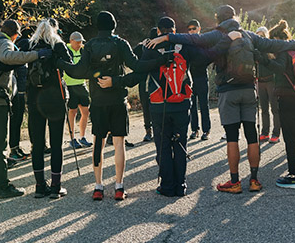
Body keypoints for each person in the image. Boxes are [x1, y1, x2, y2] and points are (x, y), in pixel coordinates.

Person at [148, 4, 295, 194]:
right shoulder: (248, 35)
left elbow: (194, 39)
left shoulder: (217, 34)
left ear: (218, 18)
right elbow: (272, 44)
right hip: (248, 89)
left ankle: (235, 182)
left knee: (232, 137)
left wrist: (167, 36)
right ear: (235, 17)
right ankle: (254, 180)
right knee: (252, 137)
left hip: (228, 91)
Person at [101, 16, 218, 197]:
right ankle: (181, 186)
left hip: (159, 105)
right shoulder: (185, 47)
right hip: (182, 104)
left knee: (163, 146)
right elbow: (208, 57)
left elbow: (136, 76)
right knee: (180, 144)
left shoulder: (151, 48)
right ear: (174, 30)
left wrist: (114, 82)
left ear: (158, 31)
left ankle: (167, 186)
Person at [58, 11, 168, 201]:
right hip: (118, 101)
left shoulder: (90, 45)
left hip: (98, 102)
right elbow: (137, 66)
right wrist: (160, 61)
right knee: (118, 144)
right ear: (114, 26)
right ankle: (119, 186)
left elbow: (78, 71)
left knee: (98, 143)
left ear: (97, 26)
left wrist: (59, 62)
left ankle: (98, 187)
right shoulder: (120, 43)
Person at [0, 19, 50, 198]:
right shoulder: (4, 42)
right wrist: (37, 54)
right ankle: (3, 186)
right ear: (14, 33)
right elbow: (8, 57)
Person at [263, 20, 295, 188]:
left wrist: (265, 59)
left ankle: (293, 175)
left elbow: (277, 69)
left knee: (291, 138)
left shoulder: (283, 52)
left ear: (276, 39)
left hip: (287, 98)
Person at [27, 18, 73, 199]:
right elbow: (70, 67)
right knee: (56, 143)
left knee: (36, 143)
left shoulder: (30, 46)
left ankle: (39, 186)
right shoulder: (58, 45)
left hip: (34, 99)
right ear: (55, 30)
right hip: (55, 99)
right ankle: (56, 186)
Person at [63, 31, 93, 149]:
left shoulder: (83, 50)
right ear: (71, 41)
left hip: (81, 84)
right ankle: (72, 139)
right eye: (77, 42)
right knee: (73, 112)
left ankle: (82, 137)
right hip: (69, 85)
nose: (79, 44)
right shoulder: (66, 50)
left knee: (86, 112)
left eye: (81, 42)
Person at [186, 19, 212, 141]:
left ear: (199, 29)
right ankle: (194, 130)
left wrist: (202, 62)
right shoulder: (187, 43)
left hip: (201, 76)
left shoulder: (204, 42)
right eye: (189, 29)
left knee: (204, 105)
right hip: (190, 78)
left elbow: (211, 56)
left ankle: (206, 130)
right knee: (192, 105)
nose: (191, 31)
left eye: (194, 28)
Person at [8, 29, 32, 162]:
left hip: (21, 93)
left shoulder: (21, 58)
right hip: (16, 94)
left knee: (18, 122)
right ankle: (13, 150)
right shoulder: (18, 59)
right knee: (14, 122)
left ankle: (16, 148)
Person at [133, 27, 159, 143]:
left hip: (152, 81)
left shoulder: (160, 47)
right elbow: (132, 55)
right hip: (146, 81)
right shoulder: (142, 48)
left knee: (151, 106)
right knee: (147, 105)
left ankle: (151, 131)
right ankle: (149, 130)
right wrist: (141, 45)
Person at [255, 26, 280, 143]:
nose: (260, 37)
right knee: (263, 109)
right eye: (258, 35)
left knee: (275, 108)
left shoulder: (270, 49)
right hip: (260, 81)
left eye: (262, 35)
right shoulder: (255, 50)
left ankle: (276, 133)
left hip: (271, 81)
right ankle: (265, 132)